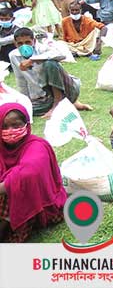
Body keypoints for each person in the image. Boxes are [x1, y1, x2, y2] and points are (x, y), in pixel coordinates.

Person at [0, 103, 67, 242]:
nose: (10, 131)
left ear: (26, 124)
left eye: (16, 125)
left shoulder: (38, 146)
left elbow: (28, 173)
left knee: (16, 185)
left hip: (42, 206)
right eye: (4, 127)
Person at [10, 28, 92, 118]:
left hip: (66, 88)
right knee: (21, 111)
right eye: (20, 43)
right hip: (43, 96)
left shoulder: (43, 48)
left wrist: (33, 60)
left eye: (27, 42)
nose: (24, 46)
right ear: (15, 44)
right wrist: (26, 101)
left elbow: (60, 54)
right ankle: (69, 104)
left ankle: (58, 104)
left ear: (34, 41)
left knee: (50, 63)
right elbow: (21, 79)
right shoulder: (13, 55)